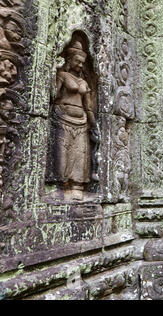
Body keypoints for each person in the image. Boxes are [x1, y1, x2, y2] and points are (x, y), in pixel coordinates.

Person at [52, 41, 94, 201]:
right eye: (77, 61)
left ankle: (77, 185)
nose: (80, 65)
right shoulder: (62, 76)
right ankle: (62, 185)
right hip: (63, 117)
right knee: (63, 152)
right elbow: (54, 95)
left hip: (81, 121)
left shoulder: (84, 82)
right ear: (69, 60)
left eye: (83, 63)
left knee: (80, 154)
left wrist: (93, 123)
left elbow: (88, 106)